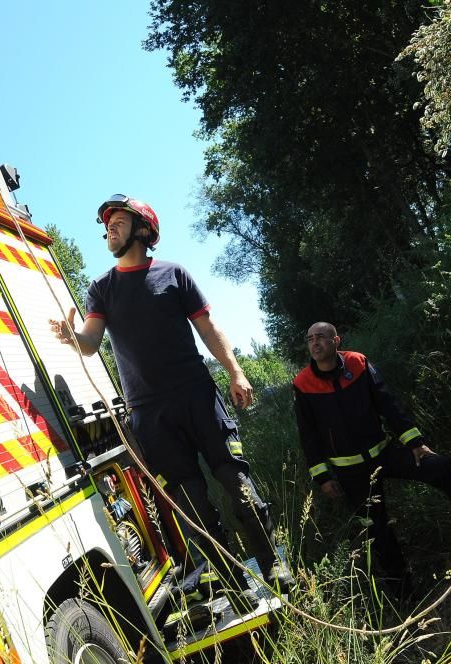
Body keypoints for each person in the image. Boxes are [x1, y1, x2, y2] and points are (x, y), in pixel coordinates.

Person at [50, 194, 294, 614]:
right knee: (195, 509)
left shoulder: (174, 274)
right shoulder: (101, 289)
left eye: (119, 221)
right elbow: (91, 342)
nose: (110, 228)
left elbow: (207, 327)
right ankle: (235, 582)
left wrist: (235, 371)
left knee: (239, 488)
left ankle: (273, 567)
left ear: (144, 229)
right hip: (150, 413)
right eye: (107, 224)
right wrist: (74, 339)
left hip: (197, 396)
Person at [293, 321, 451, 601]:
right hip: (350, 471)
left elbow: (387, 404)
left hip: (385, 453)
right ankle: (405, 594)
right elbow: (308, 435)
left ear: (336, 340)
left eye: (321, 337)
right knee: (378, 531)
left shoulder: (358, 364)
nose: (315, 343)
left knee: (439, 467)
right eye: (310, 339)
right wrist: (322, 477)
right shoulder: (303, 384)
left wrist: (414, 442)